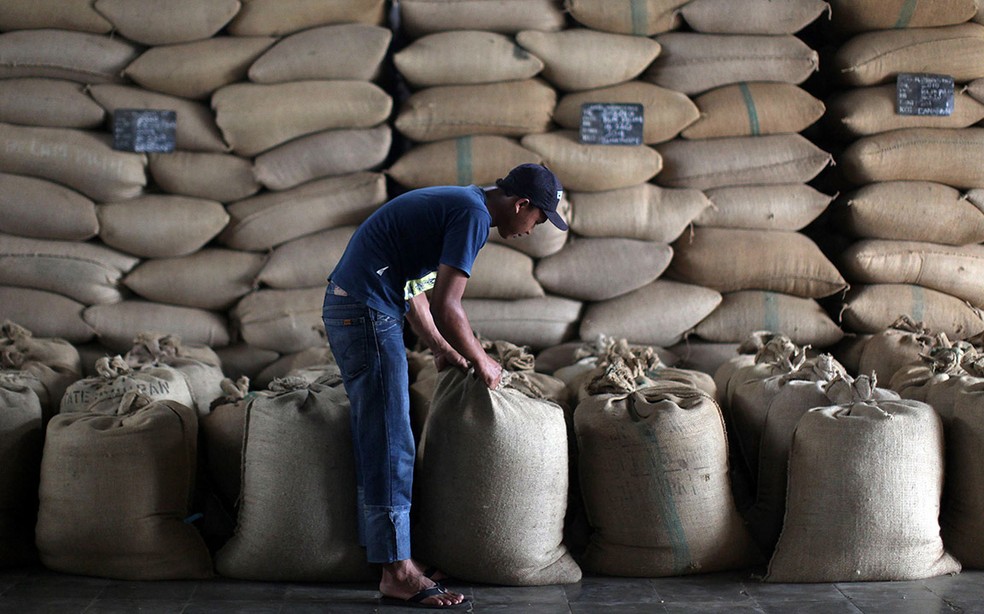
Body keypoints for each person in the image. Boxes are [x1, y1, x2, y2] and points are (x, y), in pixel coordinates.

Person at [322, 163, 567, 609]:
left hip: (365, 307)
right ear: (521, 204)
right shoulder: (472, 216)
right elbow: (447, 305)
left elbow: (411, 282)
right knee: (390, 438)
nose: (534, 230)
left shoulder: (463, 203)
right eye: (538, 219)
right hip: (363, 312)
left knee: (388, 433)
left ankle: (395, 559)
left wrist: (438, 347)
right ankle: (396, 571)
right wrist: (482, 360)